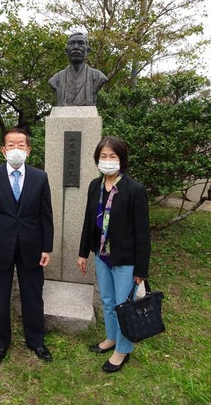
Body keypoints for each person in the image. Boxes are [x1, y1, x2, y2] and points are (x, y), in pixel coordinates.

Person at [0, 128, 54, 364]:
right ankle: (0, 343)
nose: (16, 149)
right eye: (11, 145)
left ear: (28, 150)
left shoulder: (40, 177)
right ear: (3, 150)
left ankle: (36, 341)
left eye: (21, 145)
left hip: (32, 246)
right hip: (0, 248)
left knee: (33, 296)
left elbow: (45, 215)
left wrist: (46, 248)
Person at [77, 136, 151, 373]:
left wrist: (141, 270)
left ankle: (123, 349)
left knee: (123, 304)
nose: (107, 161)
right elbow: (89, 222)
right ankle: (111, 338)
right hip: (101, 254)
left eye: (113, 156)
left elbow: (143, 233)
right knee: (107, 300)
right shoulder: (94, 186)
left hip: (126, 259)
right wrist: (82, 253)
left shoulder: (135, 190)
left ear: (122, 159)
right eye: (103, 157)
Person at [48, 32, 107, 106]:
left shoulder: (98, 76)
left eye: (80, 43)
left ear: (88, 50)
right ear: (66, 51)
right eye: (72, 43)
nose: (76, 47)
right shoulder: (56, 79)